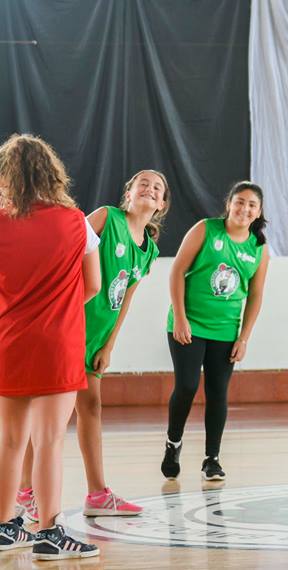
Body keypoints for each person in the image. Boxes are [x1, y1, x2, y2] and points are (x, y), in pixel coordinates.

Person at [18, 170, 167, 520]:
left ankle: (98, 493)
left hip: (96, 338)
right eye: (142, 183)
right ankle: (25, 490)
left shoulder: (149, 250)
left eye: (157, 187)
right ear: (127, 194)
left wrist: (109, 345)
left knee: (92, 409)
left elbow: (126, 299)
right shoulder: (106, 217)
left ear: (161, 204)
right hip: (66, 329)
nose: (149, 188)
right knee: (46, 416)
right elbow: (66, 247)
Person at [0, 133, 101, 559]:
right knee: (49, 441)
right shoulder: (75, 220)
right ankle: (48, 533)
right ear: (51, 171)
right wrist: (54, 311)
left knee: (9, 440)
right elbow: (93, 284)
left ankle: (5, 526)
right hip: (57, 343)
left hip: (8, 340)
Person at [161, 182, 270, 482]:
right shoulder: (206, 230)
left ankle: (212, 458)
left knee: (217, 392)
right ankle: (173, 443)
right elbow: (177, 271)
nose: (244, 209)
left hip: (225, 331)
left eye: (251, 205)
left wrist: (244, 337)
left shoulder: (259, 248)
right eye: (239, 202)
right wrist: (180, 318)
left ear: (258, 212)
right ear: (229, 204)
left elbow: (256, 296)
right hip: (189, 325)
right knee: (186, 386)